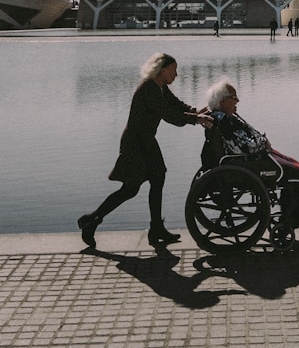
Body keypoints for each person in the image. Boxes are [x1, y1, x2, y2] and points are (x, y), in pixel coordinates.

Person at [77, 53, 213, 250]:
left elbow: (176, 105)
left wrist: (197, 112)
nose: (176, 75)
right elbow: (168, 115)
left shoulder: (160, 86)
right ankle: (92, 220)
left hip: (146, 141)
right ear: (163, 70)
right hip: (135, 143)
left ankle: (156, 228)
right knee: (130, 189)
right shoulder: (149, 88)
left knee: (158, 178)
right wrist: (195, 119)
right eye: (173, 71)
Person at [202, 77, 299, 242]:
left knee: (297, 167)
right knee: (295, 172)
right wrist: (263, 142)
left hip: (249, 160)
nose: (237, 100)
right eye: (234, 97)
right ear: (222, 101)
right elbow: (242, 148)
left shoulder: (225, 117)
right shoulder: (223, 120)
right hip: (246, 163)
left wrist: (261, 142)